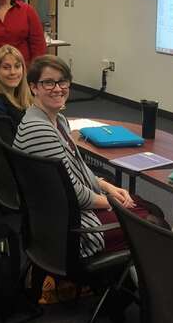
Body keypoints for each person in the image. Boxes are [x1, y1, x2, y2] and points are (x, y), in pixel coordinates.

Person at [13, 55, 160, 258]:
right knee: (154, 223)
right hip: (71, 229)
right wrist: (111, 202)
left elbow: (76, 170)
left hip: (59, 217)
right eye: (48, 82)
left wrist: (106, 186)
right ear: (33, 87)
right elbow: (75, 195)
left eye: (62, 81)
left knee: (144, 206)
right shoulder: (39, 130)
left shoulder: (57, 120)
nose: (57, 88)